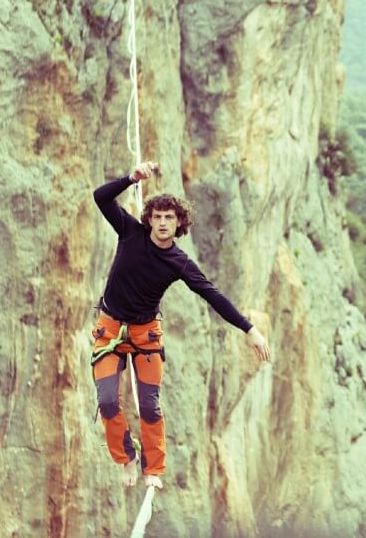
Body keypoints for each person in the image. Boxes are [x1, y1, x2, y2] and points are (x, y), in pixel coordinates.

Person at [91, 161, 271, 490]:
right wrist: (131, 178)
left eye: (169, 218)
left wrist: (249, 329)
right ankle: (126, 457)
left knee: (149, 404)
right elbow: (100, 197)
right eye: (157, 217)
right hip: (110, 329)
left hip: (145, 336)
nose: (162, 223)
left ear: (179, 224)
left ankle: (153, 468)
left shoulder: (180, 263)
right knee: (106, 400)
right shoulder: (130, 233)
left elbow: (213, 296)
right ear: (149, 220)